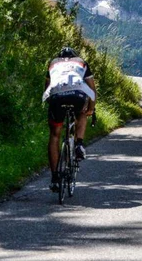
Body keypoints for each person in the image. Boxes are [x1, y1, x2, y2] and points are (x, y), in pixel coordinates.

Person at [42, 47, 96, 192]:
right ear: (74, 56)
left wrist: (52, 107)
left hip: (57, 97)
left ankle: (55, 178)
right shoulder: (81, 63)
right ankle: (79, 143)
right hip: (77, 96)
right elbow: (92, 89)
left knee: (54, 134)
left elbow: (47, 87)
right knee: (83, 112)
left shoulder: (53, 63)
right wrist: (91, 108)